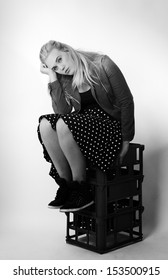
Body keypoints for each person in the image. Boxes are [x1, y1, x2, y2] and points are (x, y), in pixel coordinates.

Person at [38, 40, 135, 213]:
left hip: (109, 127)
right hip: (84, 126)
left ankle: (81, 189)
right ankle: (67, 186)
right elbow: (62, 111)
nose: (60, 68)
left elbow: (126, 101)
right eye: (55, 67)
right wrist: (53, 77)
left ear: (67, 49)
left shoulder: (103, 64)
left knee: (63, 124)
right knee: (45, 124)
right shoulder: (63, 77)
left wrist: (126, 139)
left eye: (59, 60)